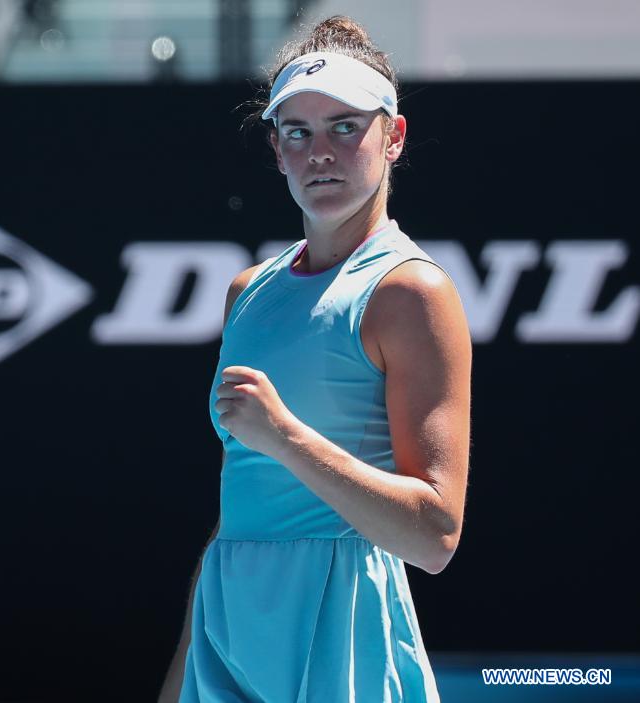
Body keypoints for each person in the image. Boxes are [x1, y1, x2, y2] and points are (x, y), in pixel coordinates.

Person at [159, 15, 471, 703]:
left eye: (345, 127)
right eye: (298, 132)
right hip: (229, 633)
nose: (319, 152)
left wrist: (288, 437)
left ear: (393, 137)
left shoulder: (411, 292)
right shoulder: (248, 292)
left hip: (344, 634)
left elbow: (434, 535)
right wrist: (181, 676)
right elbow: (234, 513)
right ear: (276, 150)